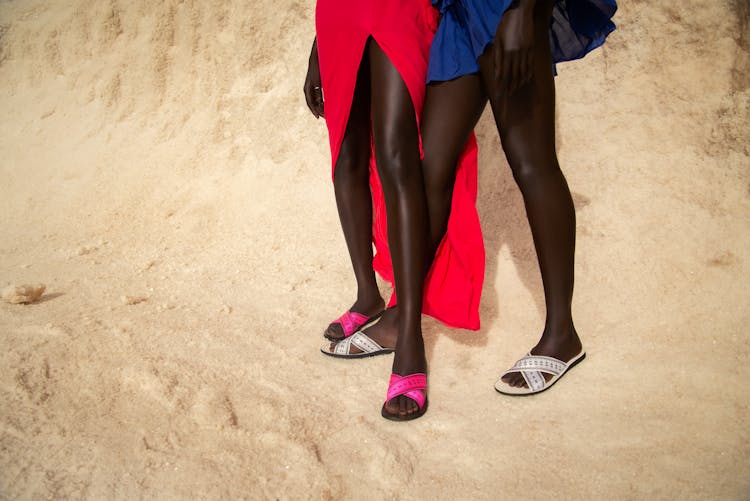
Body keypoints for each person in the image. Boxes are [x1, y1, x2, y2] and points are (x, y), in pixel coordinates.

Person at [413, 0, 617, 396]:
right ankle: (403, 315)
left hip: (503, 7)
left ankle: (562, 336)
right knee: (430, 167)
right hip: (458, 15)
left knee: (531, 162)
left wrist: (523, 11)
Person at [304, 0, 484, 420]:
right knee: (346, 152)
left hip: (400, 8)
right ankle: (367, 294)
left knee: (396, 155)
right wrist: (317, 47)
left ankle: (409, 341)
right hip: (338, 12)